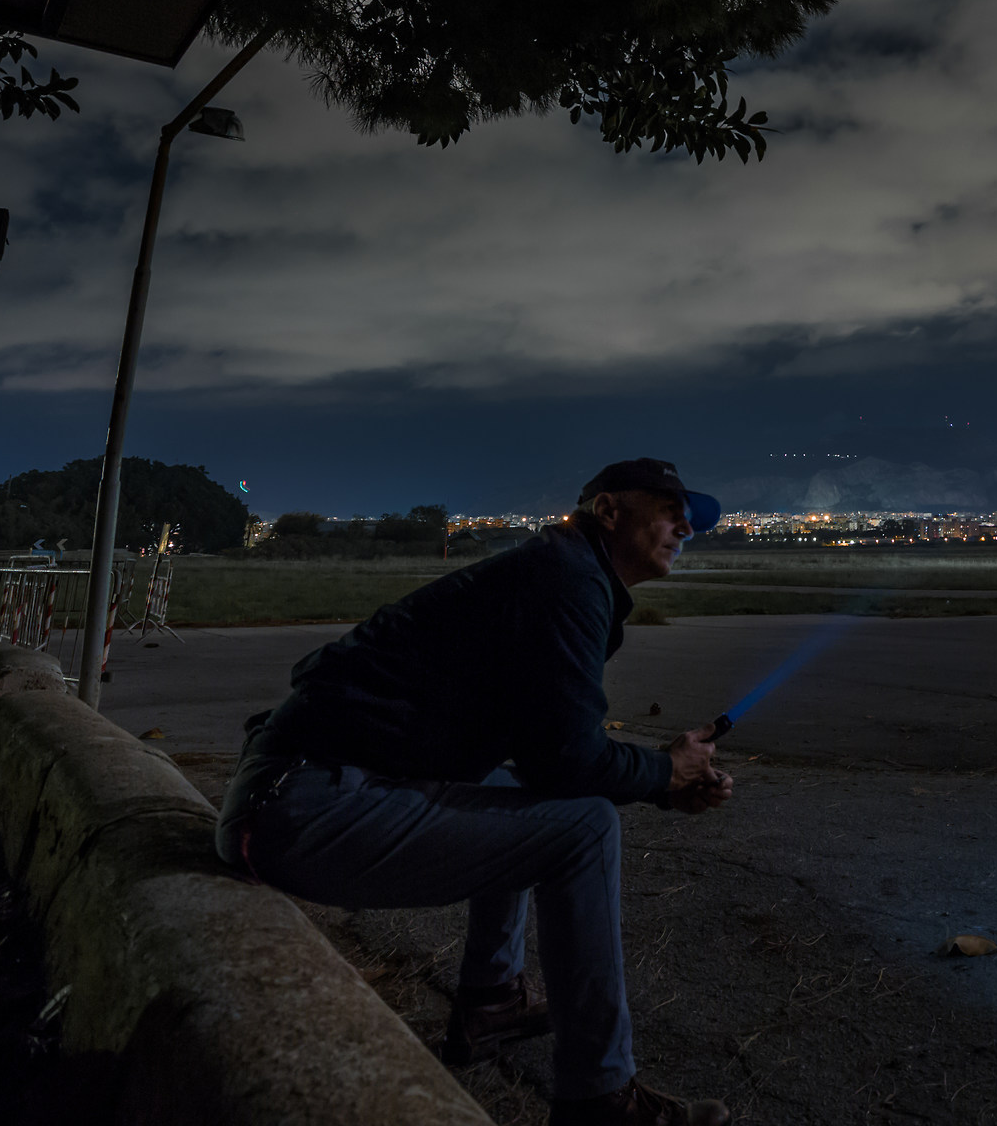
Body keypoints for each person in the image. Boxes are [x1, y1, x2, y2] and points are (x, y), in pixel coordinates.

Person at [215, 458, 734, 1126]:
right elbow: (571, 759)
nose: (685, 526)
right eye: (669, 509)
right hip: (301, 809)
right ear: (609, 511)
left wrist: (666, 786)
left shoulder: (557, 570)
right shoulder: (568, 581)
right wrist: (665, 773)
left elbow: (544, 760)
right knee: (585, 828)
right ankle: (600, 1102)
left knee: (520, 789)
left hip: (299, 791)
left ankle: (492, 1002)